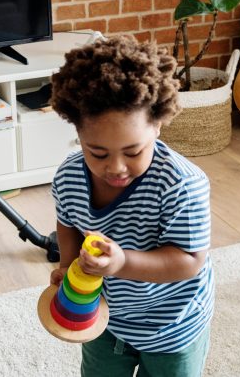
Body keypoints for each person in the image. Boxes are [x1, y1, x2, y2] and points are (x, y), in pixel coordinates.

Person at [47, 36, 214, 377]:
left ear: (158, 124)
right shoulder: (68, 176)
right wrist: (67, 264)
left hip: (172, 325)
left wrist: (122, 262)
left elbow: (188, 261)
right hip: (104, 317)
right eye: (98, 153)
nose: (116, 168)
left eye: (133, 152)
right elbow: (67, 223)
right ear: (77, 131)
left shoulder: (182, 184)